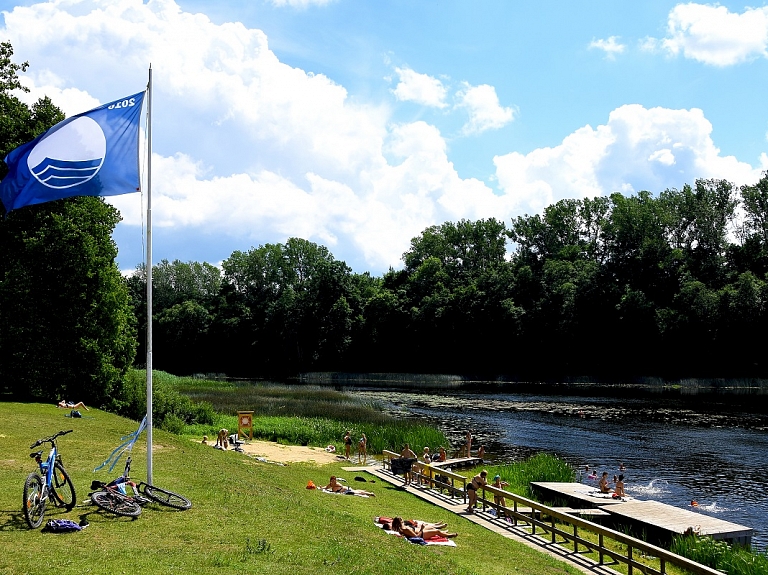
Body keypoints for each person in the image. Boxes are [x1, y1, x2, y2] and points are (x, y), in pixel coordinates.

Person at [391, 516, 457, 539]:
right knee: (437, 531)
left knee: (431, 527)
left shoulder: (401, 529)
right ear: (400, 523)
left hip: (418, 530)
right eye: (402, 522)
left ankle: (443, 533)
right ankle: (449, 535)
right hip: (421, 535)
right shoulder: (406, 529)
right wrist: (422, 529)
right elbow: (416, 536)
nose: (403, 522)